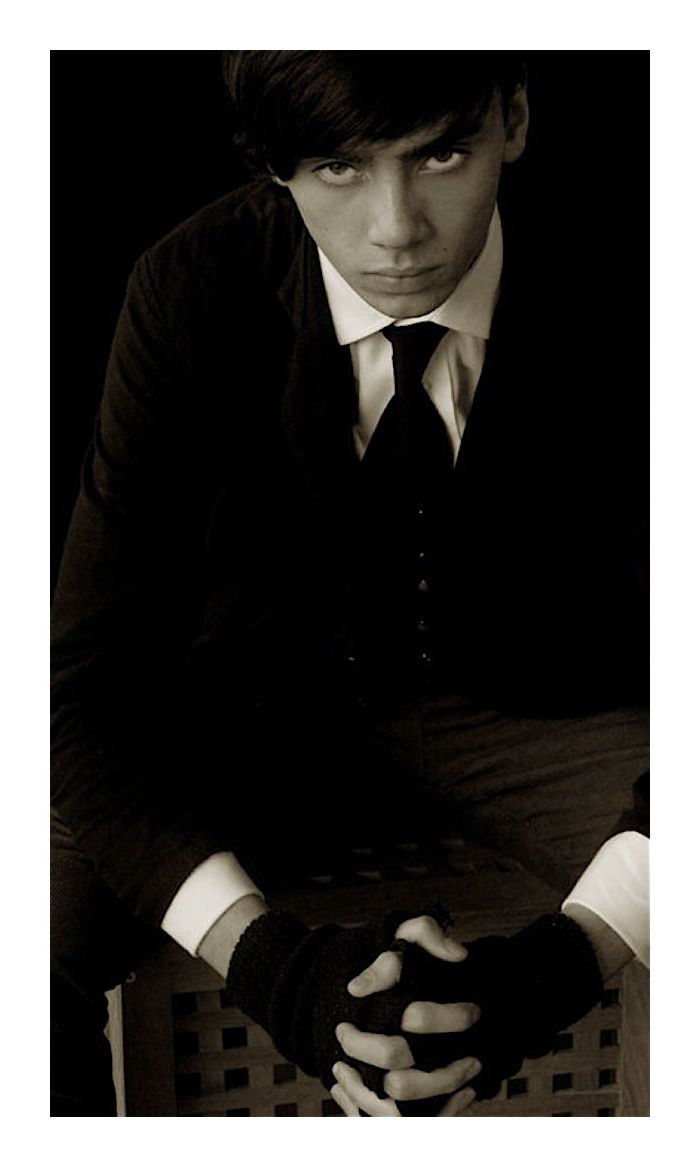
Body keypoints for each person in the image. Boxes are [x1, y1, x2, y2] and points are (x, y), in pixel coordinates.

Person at [51, 50, 649, 1118]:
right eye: (338, 167)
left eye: (442, 155)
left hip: (546, 710)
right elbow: (84, 685)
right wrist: (270, 963)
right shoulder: (189, 288)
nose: (396, 228)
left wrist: (563, 962)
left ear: (513, 120)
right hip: (250, 715)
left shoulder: (643, 269)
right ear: (273, 165)